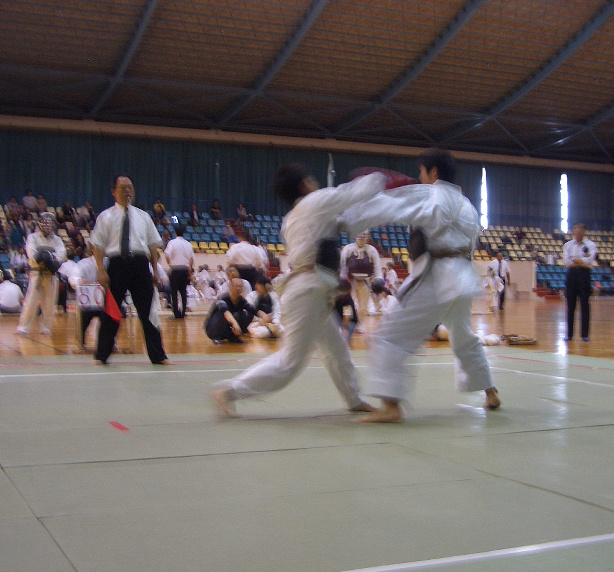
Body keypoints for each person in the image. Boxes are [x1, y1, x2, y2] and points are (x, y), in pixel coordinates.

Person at [211, 164, 386, 418]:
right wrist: (384, 179)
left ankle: (354, 399)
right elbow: (353, 193)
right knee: (290, 363)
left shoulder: (292, 218)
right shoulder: (315, 203)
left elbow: (338, 223)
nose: (315, 183)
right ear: (305, 185)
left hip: (312, 291)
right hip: (307, 292)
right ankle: (229, 391)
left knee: (336, 350)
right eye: (311, 180)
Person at [341, 150, 501, 423]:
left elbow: (389, 206)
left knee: (386, 336)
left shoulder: (428, 194)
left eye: (422, 172)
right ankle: (491, 392)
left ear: (434, 172)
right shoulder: (467, 205)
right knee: (463, 336)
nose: (419, 177)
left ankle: (391, 407)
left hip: (436, 276)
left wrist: (347, 216)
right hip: (463, 277)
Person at [90, 175, 169, 365]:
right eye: (123, 187)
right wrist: (101, 270)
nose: (128, 191)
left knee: (148, 312)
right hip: (116, 265)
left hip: (140, 265)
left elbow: (152, 245)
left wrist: (155, 270)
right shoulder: (106, 216)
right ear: (113, 192)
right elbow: (98, 245)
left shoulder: (143, 216)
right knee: (110, 312)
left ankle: (158, 356)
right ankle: (101, 356)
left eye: (130, 188)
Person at [16, 212, 66, 335]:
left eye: (50, 223)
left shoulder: (58, 240)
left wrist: (47, 257)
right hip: (36, 274)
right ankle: (23, 327)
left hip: (51, 275)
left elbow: (61, 255)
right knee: (31, 302)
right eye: (44, 223)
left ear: (54, 225)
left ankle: (46, 327)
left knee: (49, 303)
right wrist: (48, 257)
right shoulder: (32, 237)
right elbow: (32, 255)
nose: (47, 225)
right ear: (39, 223)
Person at [562, 223, 598, 341]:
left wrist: (576, 260)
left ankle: (584, 335)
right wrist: (581, 261)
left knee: (585, 305)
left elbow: (589, 261)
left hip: (584, 275)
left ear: (584, 231)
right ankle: (569, 334)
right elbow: (567, 262)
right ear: (573, 230)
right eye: (575, 228)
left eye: (580, 229)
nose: (577, 231)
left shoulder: (591, 245)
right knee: (570, 305)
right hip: (571, 276)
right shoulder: (568, 245)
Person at [340, 232, 381, 319]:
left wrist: (378, 278)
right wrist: (342, 278)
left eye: (364, 236)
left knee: (363, 305)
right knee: (350, 303)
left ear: (367, 237)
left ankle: (359, 323)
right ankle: (349, 323)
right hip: (350, 280)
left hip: (365, 281)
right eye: (360, 235)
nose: (362, 238)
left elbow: (377, 266)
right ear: (355, 237)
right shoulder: (348, 249)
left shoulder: (372, 250)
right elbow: (342, 265)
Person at [204, 278, 256, 343]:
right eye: (236, 286)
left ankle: (233, 337)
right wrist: (235, 324)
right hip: (212, 327)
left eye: (240, 286)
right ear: (230, 287)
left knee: (248, 314)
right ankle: (216, 337)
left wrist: (265, 317)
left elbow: (254, 310)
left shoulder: (241, 300)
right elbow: (226, 312)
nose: (238, 288)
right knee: (222, 314)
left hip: (228, 326)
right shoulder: (222, 298)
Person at [164, 224, 194, 318]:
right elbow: (192, 259)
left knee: (174, 292)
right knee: (183, 292)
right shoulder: (188, 244)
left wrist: (170, 264)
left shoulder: (172, 243)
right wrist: (189, 270)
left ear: (175, 233)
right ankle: (183, 312)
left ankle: (176, 313)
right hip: (185, 269)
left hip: (175, 269)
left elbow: (166, 254)